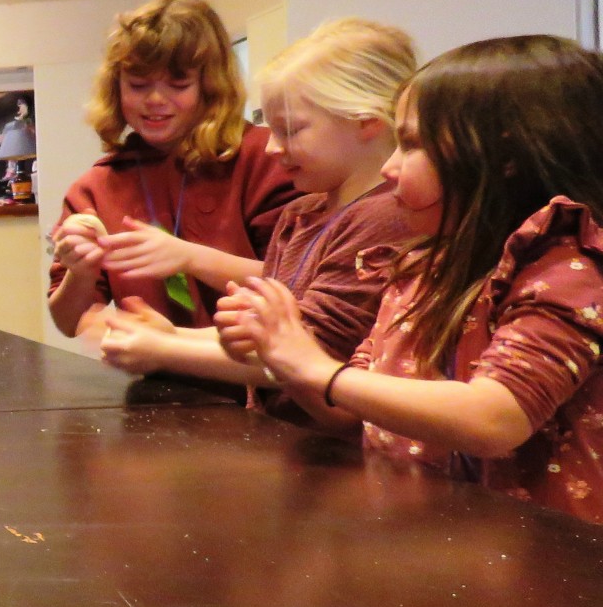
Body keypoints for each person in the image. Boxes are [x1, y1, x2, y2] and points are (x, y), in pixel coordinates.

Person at [220, 35, 603, 524]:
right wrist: (283, 352)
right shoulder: (419, 267)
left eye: (412, 144)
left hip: (541, 565)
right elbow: (346, 410)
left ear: (504, 157)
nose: (389, 167)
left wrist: (317, 369)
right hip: (432, 538)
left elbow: (496, 417)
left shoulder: (567, 268)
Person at [100, 19, 417, 409]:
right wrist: (172, 336)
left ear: (366, 121)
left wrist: (165, 349)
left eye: (291, 130)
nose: (271, 148)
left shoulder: (383, 218)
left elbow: (310, 353)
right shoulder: (302, 212)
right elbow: (265, 336)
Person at [49, 0, 298, 339]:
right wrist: (80, 271)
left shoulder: (267, 159)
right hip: (160, 383)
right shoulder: (97, 186)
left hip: (258, 384)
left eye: (178, 85)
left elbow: (299, 284)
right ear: (116, 87)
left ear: (210, 86)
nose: (155, 100)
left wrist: (188, 258)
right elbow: (67, 321)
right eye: (138, 85)